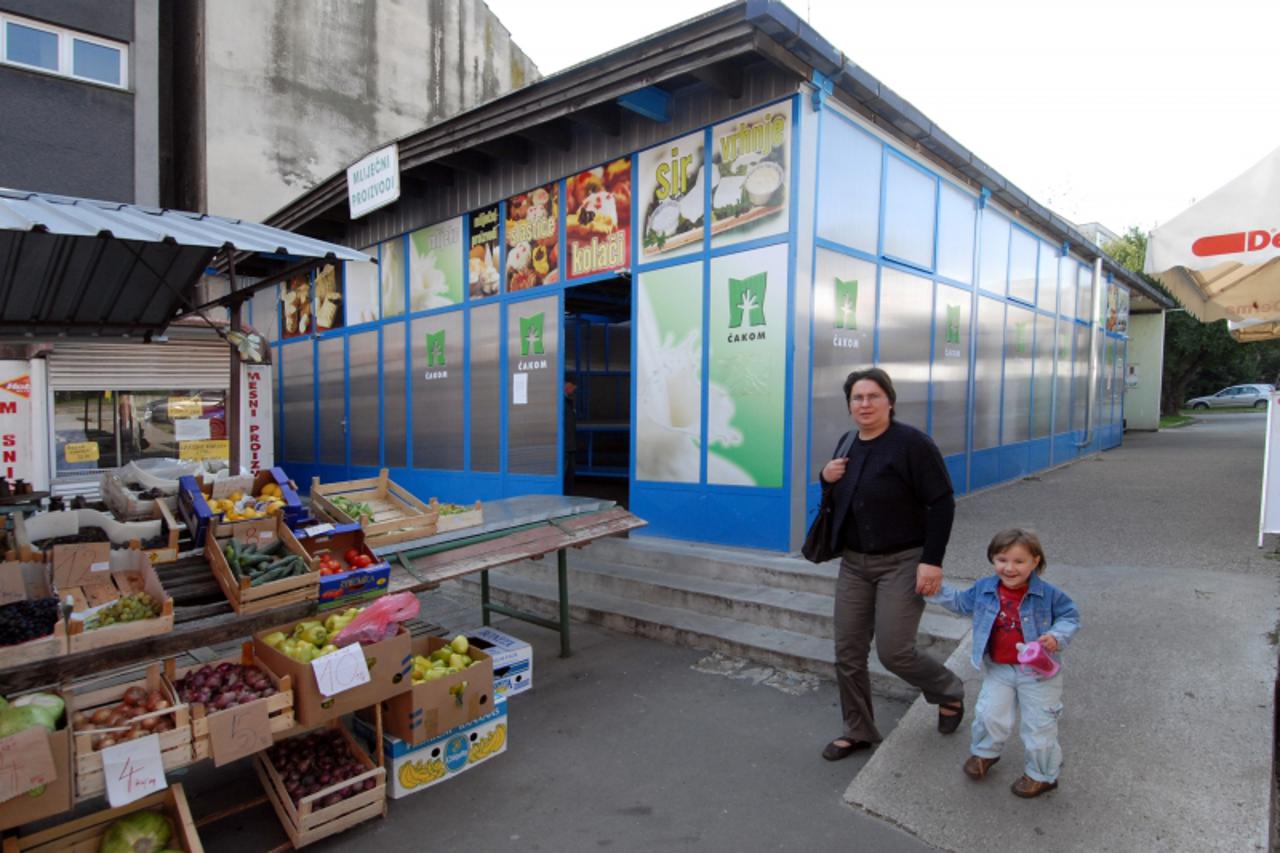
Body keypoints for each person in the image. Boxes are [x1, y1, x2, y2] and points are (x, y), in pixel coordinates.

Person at [820, 367, 966, 762]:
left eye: (873, 396)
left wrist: (931, 562)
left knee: (894, 651)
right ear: (849, 405)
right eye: (857, 398)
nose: (864, 404)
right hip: (854, 564)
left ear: (890, 401)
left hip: (903, 562)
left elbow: (941, 503)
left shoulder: (912, 444)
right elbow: (845, 498)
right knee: (847, 652)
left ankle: (948, 689)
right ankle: (858, 729)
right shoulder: (847, 441)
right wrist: (825, 476)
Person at [927, 528, 1080, 798]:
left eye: (1019, 561)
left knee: (1039, 725)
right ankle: (985, 753)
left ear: (1035, 562)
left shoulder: (1049, 594)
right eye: (1001, 559)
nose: (1009, 568)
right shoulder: (985, 588)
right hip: (999, 669)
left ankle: (1042, 775)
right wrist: (932, 589)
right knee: (988, 714)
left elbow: (1070, 616)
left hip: (1039, 674)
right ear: (993, 560)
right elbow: (961, 602)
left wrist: (1057, 636)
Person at [563, 381, 578, 494]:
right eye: (572, 387)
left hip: (570, 445)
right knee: (563, 475)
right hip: (565, 446)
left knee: (569, 475)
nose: (573, 390)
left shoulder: (569, 401)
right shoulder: (560, 402)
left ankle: (568, 498)